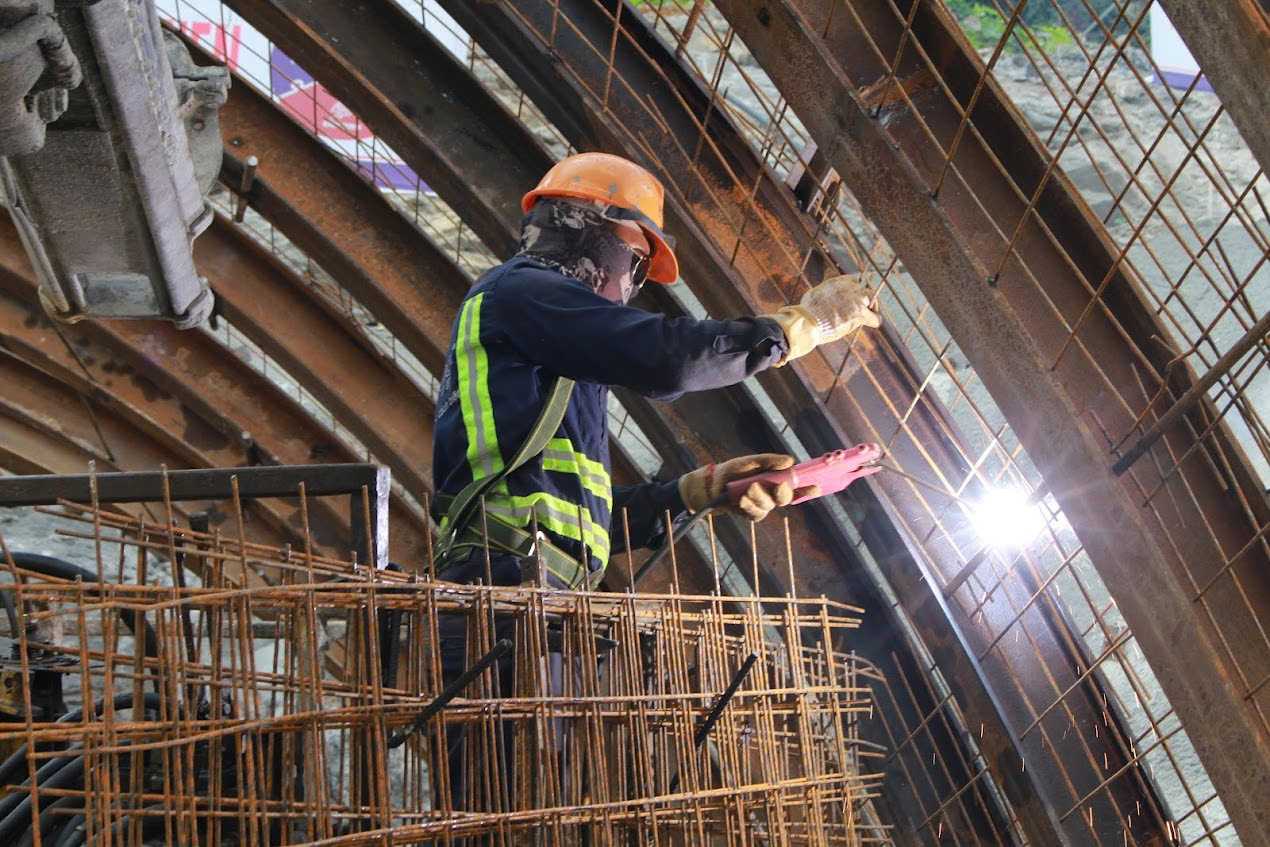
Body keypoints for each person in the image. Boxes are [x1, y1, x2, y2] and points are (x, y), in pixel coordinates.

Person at [428, 151, 881, 816]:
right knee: (493, 820)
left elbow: (582, 521)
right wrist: (796, 328)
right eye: (633, 257)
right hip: (497, 601)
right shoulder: (518, 293)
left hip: (535, 606)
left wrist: (701, 489)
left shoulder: (558, 360)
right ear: (583, 229)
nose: (633, 282)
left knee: (532, 819)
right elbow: (668, 359)